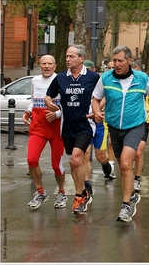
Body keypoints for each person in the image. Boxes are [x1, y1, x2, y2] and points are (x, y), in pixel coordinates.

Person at [91, 45, 149, 222]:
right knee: (123, 167)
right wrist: (97, 111)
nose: (116, 64)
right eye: (114, 60)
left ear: (129, 61)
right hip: (114, 127)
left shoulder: (142, 78)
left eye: (120, 60)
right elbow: (96, 98)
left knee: (125, 163)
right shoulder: (105, 78)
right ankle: (130, 197)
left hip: (135, 126)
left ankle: (125, 205)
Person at [45, 44, 100, 214]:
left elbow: (103, 96)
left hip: (85, 125)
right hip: (67, 126)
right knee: (74, 162)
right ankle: (83, 189)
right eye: (67, 56)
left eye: (72, 56)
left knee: (77, 159)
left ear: (81, 58)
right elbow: (49, 95)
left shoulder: (93, 77)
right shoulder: (61, 78)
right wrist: (49, 103)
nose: (68, 59)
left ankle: (79, 196)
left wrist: (97, 111)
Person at [24, 54, 67, 209]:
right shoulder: (35, 81)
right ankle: (40, 192)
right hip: (38, 126)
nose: (47, 66)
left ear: (55, 66)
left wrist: (56, 114)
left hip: (56, 128)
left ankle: (62, 192)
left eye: (50, 63)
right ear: (39, 65)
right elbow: (34, 100)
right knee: (31, 159)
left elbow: (68, 105)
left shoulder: (62, 80)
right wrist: (28, 111)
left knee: (56, 165)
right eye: (44, 63)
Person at [82, 60, 115, 198]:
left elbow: (105, 98)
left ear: (95, 69)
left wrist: (97, 111)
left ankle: (106, 166)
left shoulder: (102, 81)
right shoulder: (80, 82)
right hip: (85, 123)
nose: (89, 71)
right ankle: (87, 183)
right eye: (86, 69)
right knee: (85, 155)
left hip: (99, 122)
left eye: (91, 69)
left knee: (100, 156)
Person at [131, 60, 149, 193]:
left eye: (138, 71)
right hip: (128, 122)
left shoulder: (145, 82)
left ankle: (137, 179)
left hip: (143, 121)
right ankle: (130, 173)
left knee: (139, 152)